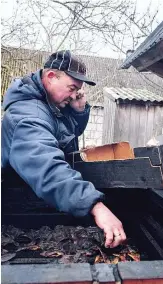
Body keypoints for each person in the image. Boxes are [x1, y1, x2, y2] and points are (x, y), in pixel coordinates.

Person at [1, 50, 126, 248]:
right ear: (51, 77)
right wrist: (95, 206)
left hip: (45, 198)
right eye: (72, 87)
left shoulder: (49, 105)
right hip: (22, 211)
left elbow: (64, 135)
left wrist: (78, 112)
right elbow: (47, 167)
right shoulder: (27, 116)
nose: (75, 93)